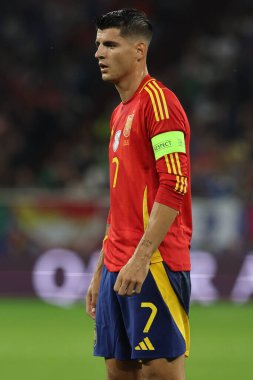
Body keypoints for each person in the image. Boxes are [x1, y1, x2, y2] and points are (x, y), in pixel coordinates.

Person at [86, 8, 192, 380]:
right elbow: (122, 200)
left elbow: (175, 183)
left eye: (111, 44)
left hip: (154, 263)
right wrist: (102, 268)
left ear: (139, 51)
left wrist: (141, 256)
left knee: (157, 375)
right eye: (98, 44)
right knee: (119, 374)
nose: (99, 53)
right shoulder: (118, 114)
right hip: (118, 264)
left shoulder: (160, 105)